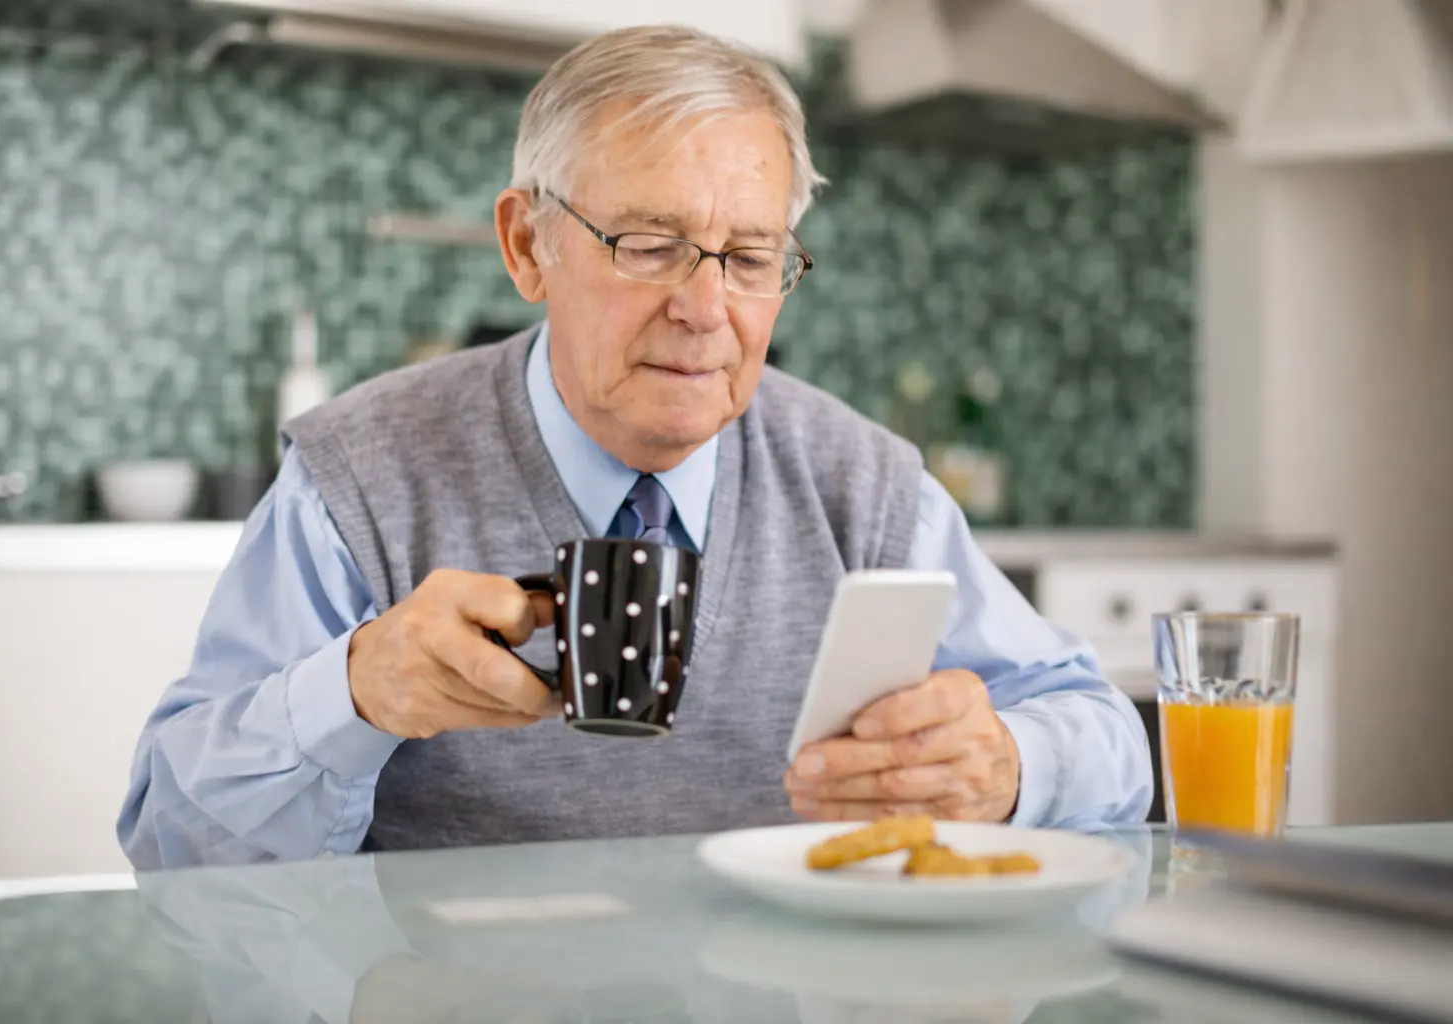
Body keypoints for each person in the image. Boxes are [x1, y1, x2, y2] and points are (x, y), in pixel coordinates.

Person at [118, 24, 1151, 871]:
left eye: (749, 257)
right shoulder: (359, 479)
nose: (706, 310)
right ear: (530, 245)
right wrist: (351, 692)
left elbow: (1107, 741)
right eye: (648, 246)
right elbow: (171, 838)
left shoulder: (864, 483)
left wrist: (1011, 765)